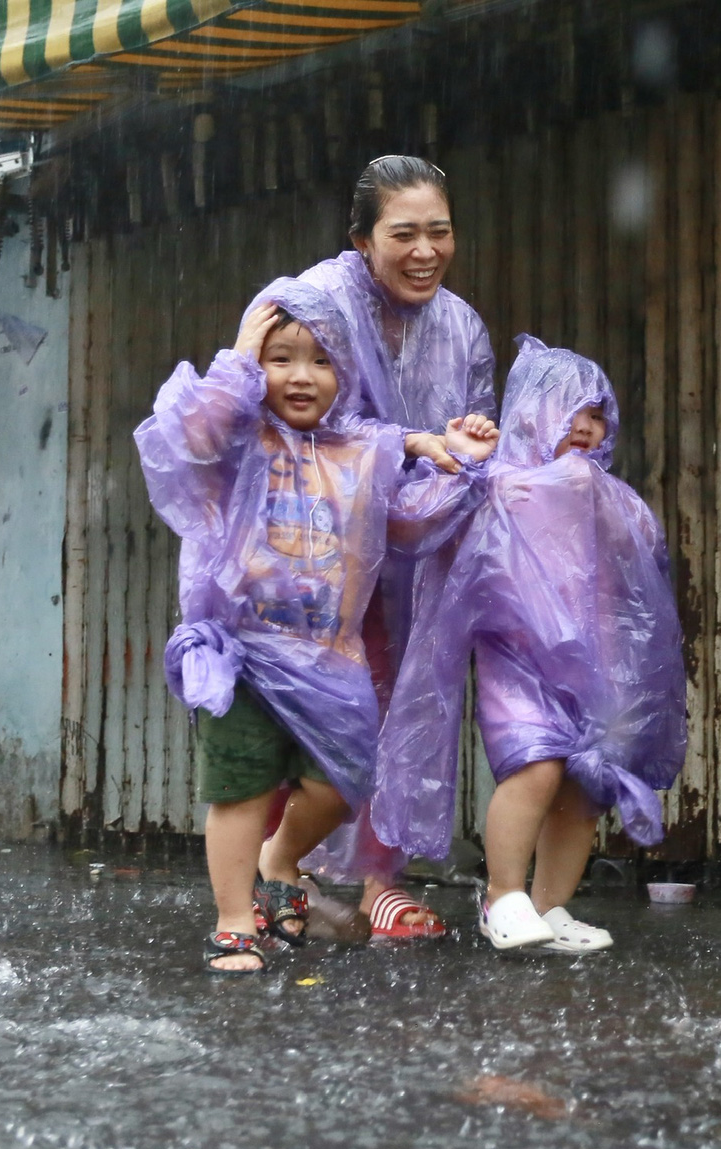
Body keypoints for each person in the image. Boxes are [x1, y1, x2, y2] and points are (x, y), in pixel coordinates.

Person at [134, 278, 494, 974]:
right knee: (240, 788)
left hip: (330, 656)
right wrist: (238, 360)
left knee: (343, 781)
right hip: (239, 650)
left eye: (322, 359)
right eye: (281, 358)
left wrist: (460, 465)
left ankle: (281, 859)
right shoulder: (238, 436)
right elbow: (188, 436)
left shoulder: (365, 448)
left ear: (347, 371)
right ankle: (236, 921)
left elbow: (411, 518)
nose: (302, 376)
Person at [373, 337, 688, 953]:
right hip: (516, 658)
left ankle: (552, 906)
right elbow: (413, 521)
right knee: (535, 765)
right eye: (574, 410)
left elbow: (642, 585)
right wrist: (463, 462)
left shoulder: (613, 498)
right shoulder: (497, 482)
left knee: (586, 786)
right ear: (531, 412)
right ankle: (504, 897)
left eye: (599, 415)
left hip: (597, 666)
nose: (588, 427)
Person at [295, 155, 497, 941]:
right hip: (315, 551)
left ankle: (370, 877)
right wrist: (405, 442)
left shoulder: (463, 326)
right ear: (361, 241)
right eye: (403, 234)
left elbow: (475, 432)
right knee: (321, 709)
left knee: (402, 706)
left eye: (439, 232)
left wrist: (472, 443)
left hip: (414, 552)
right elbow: (288, 420)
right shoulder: (317, 305)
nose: (425, 251)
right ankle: (296, 873)